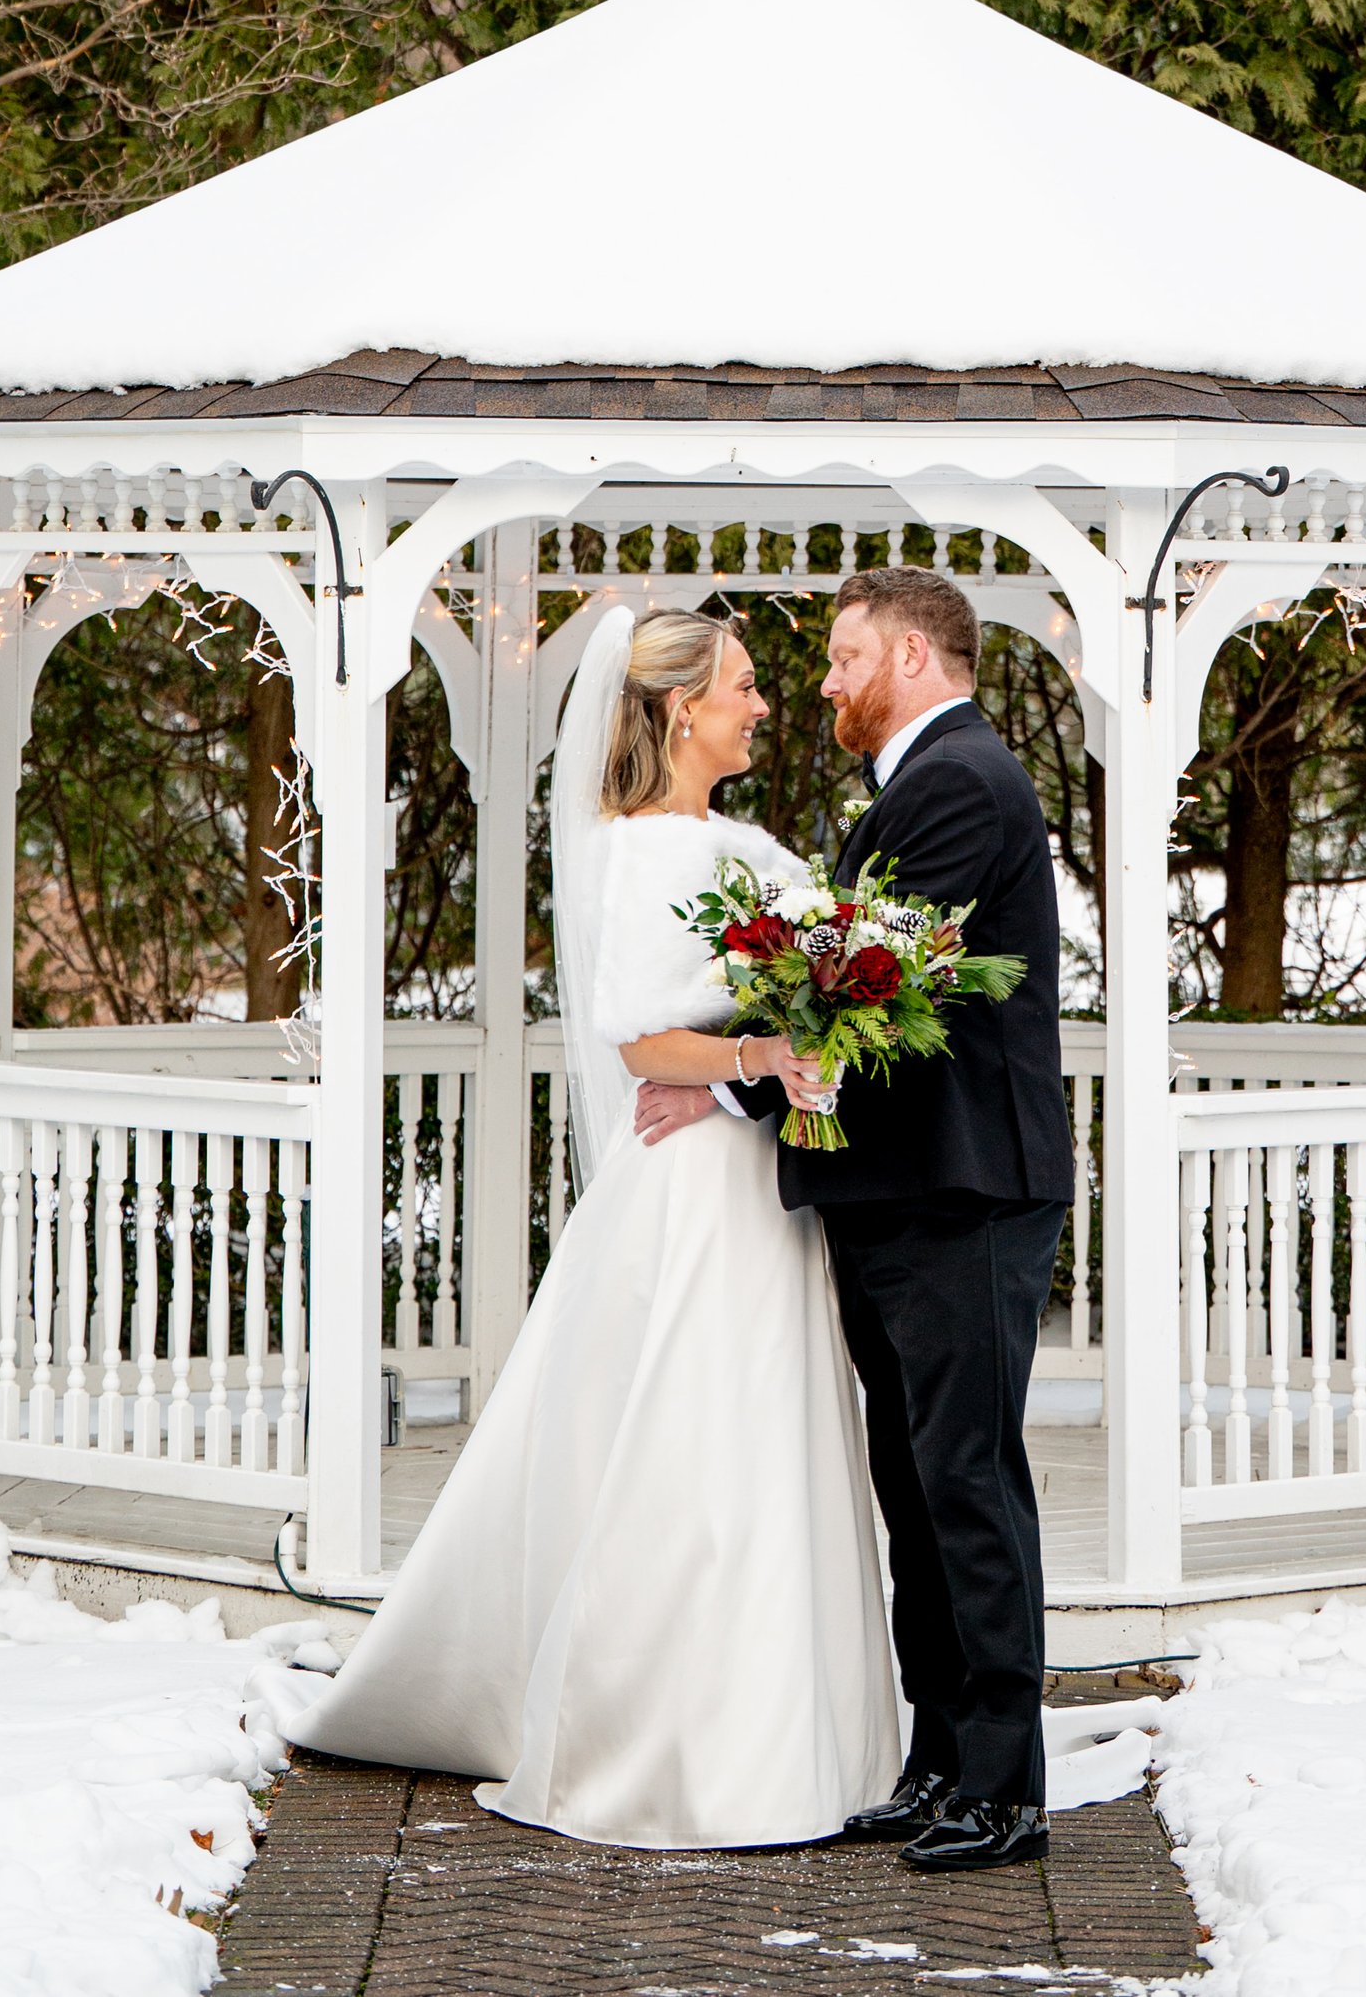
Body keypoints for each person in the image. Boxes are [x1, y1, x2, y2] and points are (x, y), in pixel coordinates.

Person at [308, 606, 899, 1848]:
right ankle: (664, 1734)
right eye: (742, 685)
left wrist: (808, 1040)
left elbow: (818, 985)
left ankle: (797, 1729)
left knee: (769, 1435)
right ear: (682, 706)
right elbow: (640, 1037)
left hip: (756, 1181)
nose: (761, 703)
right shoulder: (638, 854)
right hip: (690, 1192)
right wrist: (762, 1047)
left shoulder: (746, 845)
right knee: (690, 1445)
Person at [637, 565, 1072, 1874]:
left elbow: (866, 982)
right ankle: (940, 1758)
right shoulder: (921, 784)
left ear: (915, 658)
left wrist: (731, 1078)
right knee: (918, 1485)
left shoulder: (957, 782)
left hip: (962, 1187)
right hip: (902, 1187)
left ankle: (1003, 1782)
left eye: (841, 654)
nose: (823, 680)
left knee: (967, 1481)